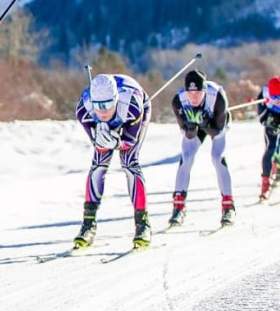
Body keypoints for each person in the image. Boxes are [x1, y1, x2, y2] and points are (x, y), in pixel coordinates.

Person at [74, 73, 152, 249]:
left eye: (108, 105)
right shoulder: (84, 110)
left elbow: (130, 141)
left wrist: (118, 142)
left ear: (116, 99)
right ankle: (88, 225)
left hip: (137, 111)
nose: (102, 111)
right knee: (99, 164)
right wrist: (101, 141)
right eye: (98, 105)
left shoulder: (131, 106)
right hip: (111, 119)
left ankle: (142, 224)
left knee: (129, 163)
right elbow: (100, 148)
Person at [168, 70, 235, 228]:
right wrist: (191, 127)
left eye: (198, 93)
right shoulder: (178, 101)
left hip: (215, 124)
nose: (194, 98)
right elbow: (187, 134)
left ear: (204, 91)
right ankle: (178, 207)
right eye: (190, 94)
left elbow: (218, 130)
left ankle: (228, 206)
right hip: (197, 126)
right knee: (187, 156)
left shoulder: (217, 97)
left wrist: (204, 123)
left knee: (217, 157)